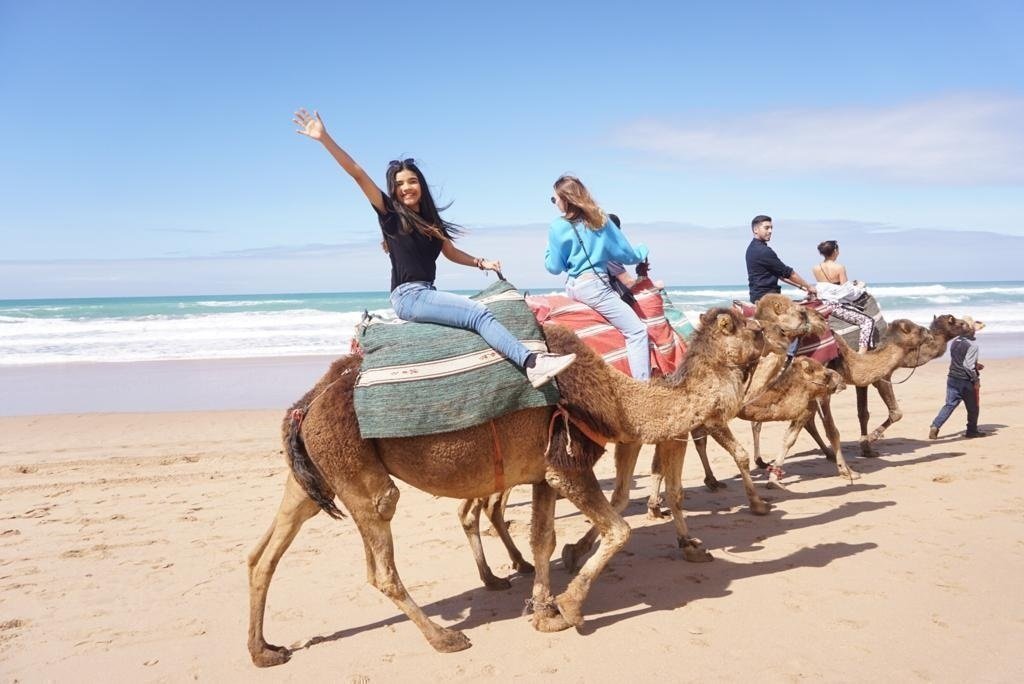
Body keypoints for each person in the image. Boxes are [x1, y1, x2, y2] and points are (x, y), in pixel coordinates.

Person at [293, 108, 575, 388]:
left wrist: (481, 262)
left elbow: (450, 253)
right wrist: (324, 138)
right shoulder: (389, 212)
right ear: (393, 189)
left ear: (421, 185)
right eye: (399, 183)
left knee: (475, 315)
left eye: (412, 181)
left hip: (426, 292)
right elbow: (358, 173)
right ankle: (533, 364)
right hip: (408, 296)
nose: (406, 187)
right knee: (479, 314)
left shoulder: (430, 221)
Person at [545, 176, 651, 381]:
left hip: (572, 287)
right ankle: (643, 388)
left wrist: (548, 251)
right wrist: (643, 249)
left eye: (554, 199)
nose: (555, 203)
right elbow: (627, 255)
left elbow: (554, 267)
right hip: (594, 287)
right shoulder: (599, 219)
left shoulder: (556, 227)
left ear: (566, 199)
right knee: (637, 331)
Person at [928, 316, 987, 439]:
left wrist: (976, 365)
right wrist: (976, 380)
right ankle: (972, 431)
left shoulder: (955, 342)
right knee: (973, 408)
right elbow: (967, 365)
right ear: (971, 330)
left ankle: (935, 426)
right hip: (966, 381)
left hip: (952, 378)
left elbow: (958, 360)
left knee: (949, 405)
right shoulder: (972, 345)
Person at [812, 240, 875, 353]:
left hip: (821, 302)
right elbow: (846, 291)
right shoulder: (839, 267)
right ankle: (861, 354)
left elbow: (827, 287)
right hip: (833, 305)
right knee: (868, 321)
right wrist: (860, 288)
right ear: (835, 251)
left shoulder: (816, 268)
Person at [745, 215, 817, 304]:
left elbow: (780, 275)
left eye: (771, 228)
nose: (770, 231)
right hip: (768, 300)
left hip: (757, 297)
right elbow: (788, 273)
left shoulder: (751, 248)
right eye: (766, 228)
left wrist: (803, 287)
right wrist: (809, 286)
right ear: (756, 230)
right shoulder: (763, 251)